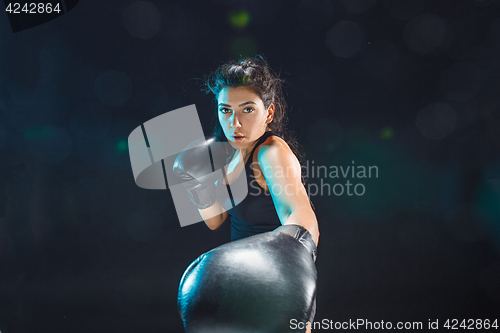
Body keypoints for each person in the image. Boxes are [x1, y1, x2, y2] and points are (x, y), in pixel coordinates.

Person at [175, 55, 320, 332]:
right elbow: (215, 220)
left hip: (276, 285)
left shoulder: (270, 151)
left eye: (247, 110)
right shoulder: (227, 154)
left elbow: (299, 213)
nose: (235, 123)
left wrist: (291, 259)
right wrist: (196, 183)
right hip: (237, 286)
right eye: (226, 110)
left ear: (268, 112)